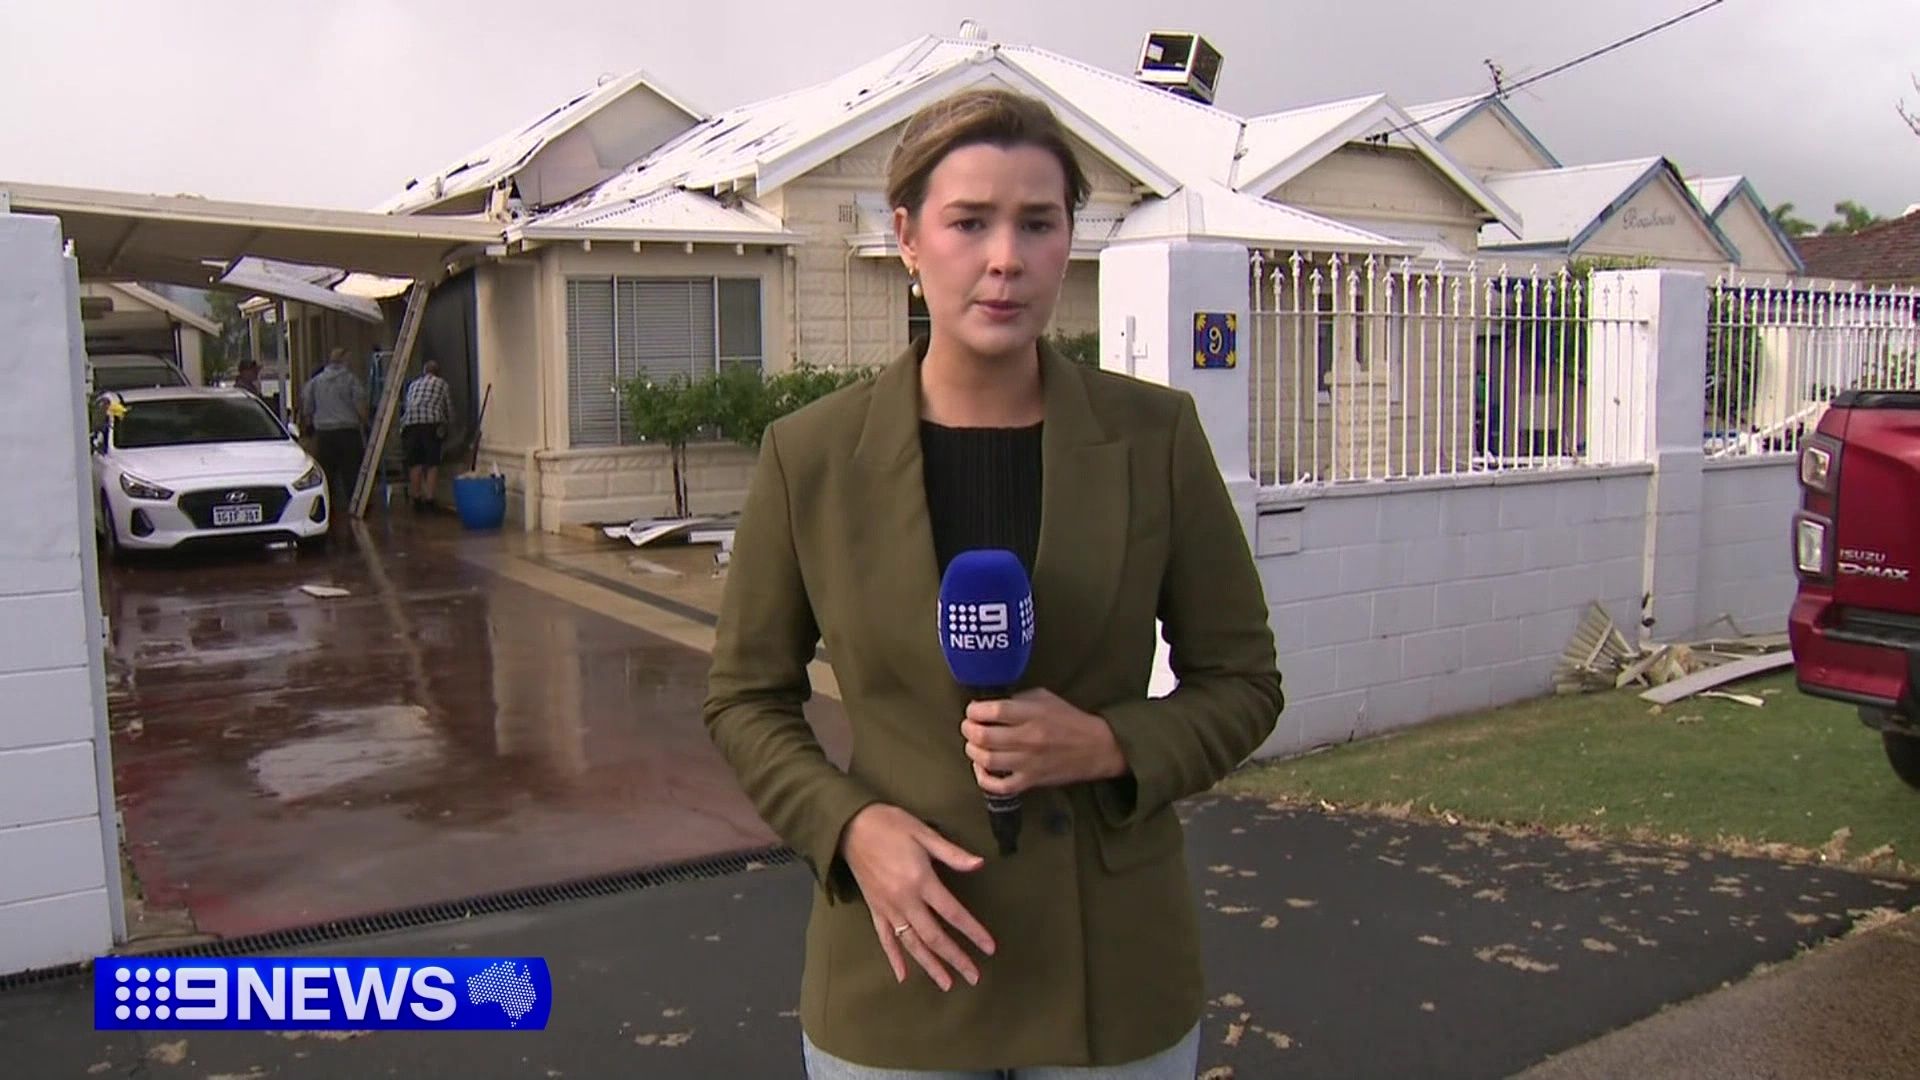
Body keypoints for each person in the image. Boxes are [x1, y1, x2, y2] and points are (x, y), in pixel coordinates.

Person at [701, 88, 1285, 1078]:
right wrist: (848, 827)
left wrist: (1109, 743)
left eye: (1037, 224)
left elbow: (1245, 683)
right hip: (899, 964)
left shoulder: (1154, 438)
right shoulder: (813, 456)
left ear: (1069, 242)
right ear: (908, 237)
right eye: (970, 222)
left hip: (1111, 976)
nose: (1005, 257)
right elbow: (745, 698)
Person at [299, 346, 369, 525]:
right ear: (344, 360)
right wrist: (366, 423)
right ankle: (356, 508)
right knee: (351, 473)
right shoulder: (351, 380)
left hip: (324, 435)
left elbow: (307, 409)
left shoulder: (314, 382)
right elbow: (360, 407)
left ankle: (327, 508)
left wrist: (310, 429)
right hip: (348, 432)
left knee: (326, 473)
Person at [400, 359, 453, 511]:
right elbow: (448, 407)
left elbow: (407, 404)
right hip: (430, 424)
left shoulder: (413, 384)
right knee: (432, 463)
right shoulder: (442, 383)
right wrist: (450, 424)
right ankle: (430, 499)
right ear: (438, 372)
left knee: (415, 463)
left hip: (410, 424)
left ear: (424, 372)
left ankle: (416, 499)